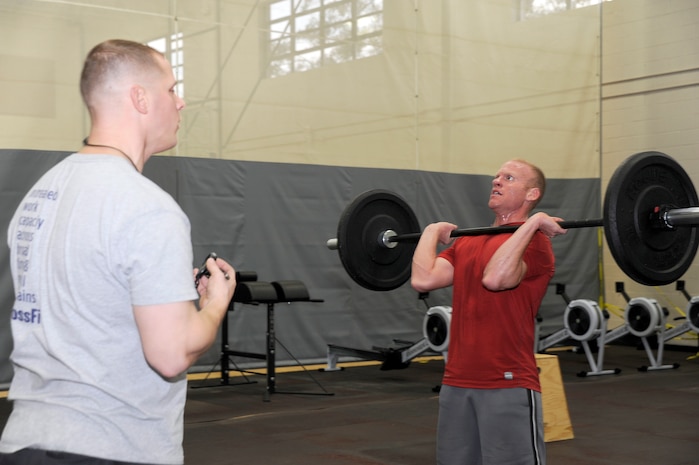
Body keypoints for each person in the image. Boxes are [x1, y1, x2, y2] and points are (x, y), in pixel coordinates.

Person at [0, 39, 237, 465]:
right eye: (171, 89)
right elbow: (170, 354)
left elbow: (87, 304)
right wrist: (214, 305)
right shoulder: (147, 207)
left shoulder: (40, 195)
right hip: (111, 447)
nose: (180, 103)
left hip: (24, 443)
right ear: (140, 98)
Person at [411, 159, 567, 465]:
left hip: (506, 381)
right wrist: (431, 231)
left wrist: (532, 224)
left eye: (508, 178)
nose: (496, 181)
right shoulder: (469, 240)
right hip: (457, 380)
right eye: (496, 177)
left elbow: (496, 279)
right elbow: (423, 279)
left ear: (531, 194)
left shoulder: (534, 244)